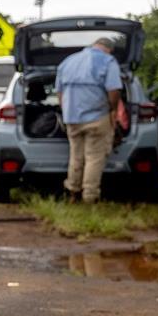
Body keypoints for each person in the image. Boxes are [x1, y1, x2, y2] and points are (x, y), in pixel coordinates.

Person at [55, 37, 122, 204]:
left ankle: (72, 191)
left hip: (72, 118)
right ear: (108, 49)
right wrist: (113, 109)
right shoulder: (108, 61)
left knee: (76, 156)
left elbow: (59, 92)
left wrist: (67, 111)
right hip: (97, 117)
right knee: (94, 157)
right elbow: (114, 90)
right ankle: (90, 196)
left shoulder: (68, 61)